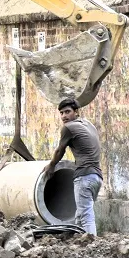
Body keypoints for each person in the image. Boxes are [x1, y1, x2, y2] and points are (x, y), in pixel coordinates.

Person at [43, 98, 102, 235]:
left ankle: (92, 246)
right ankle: (75, 243)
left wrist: (51, 166)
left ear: (76, 112)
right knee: (80, 215)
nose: (64, 116)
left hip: (84, 176)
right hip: (96, 177)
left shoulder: (69, 128)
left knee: (86, 216)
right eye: (61, 113)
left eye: (67, 112)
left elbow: (60, 150)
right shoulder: (89, 124)